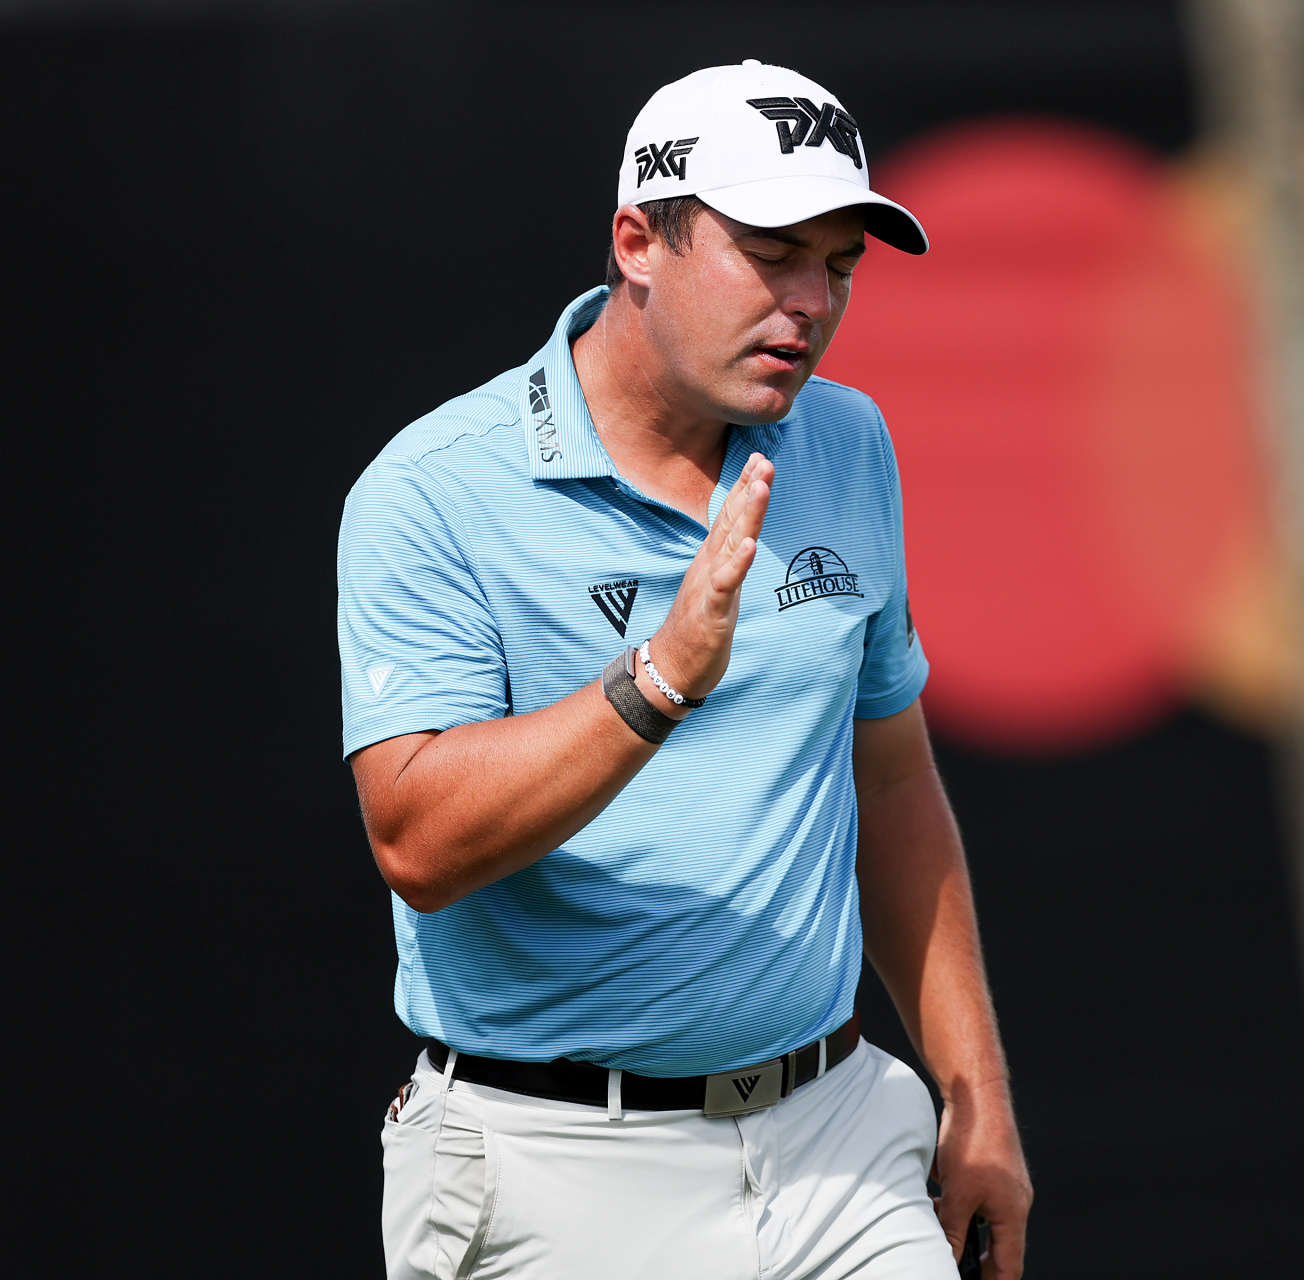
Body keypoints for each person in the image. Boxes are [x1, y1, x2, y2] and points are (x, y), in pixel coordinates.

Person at [337, 59, 1031, 1279]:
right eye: (771, 253)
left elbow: (891, 782)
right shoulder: (432, 489)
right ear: (638, 243)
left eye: (839, 265)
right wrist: (656, 680)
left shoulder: (847, 438)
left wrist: (976, 1095)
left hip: (838, 1144)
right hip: (556, 1164)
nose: (809, 303)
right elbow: (417, 842)